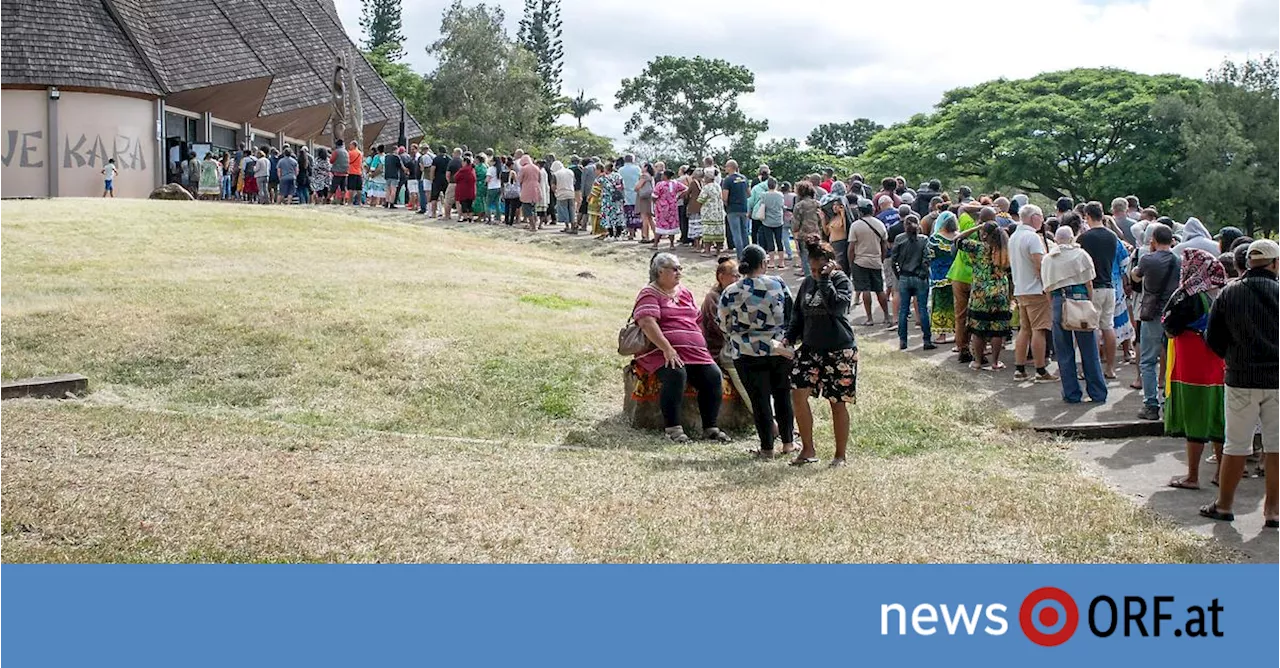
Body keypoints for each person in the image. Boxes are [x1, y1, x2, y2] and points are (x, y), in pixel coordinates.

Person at [1201, 239, 1280, 527]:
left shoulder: (1229, 293)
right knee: (1276, 446)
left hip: (1240, 378)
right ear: (1274, 263)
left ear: (1248, 263)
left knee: (1236, 445)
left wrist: (1233, 357)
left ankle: (1224, 505)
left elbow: (1213, 339)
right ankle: (1273, 510)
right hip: (1277, 380)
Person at [632, 253, 731, 443]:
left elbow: (697, 321)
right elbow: (647, 322)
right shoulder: (649, 293)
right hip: (661, 351)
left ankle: (710, 427)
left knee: (713, 375)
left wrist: (700, 344)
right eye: (674, 269)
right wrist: (667, 348)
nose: (679, 273)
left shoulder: (684, 293)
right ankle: (673, 429)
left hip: (694, 352)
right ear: (660, 271)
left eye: (680, 269)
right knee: (676, 373)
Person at [718, 245, 796, 459]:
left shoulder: (730, 291)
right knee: (782, 396)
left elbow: (723, 322)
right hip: (779, 349)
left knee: (759, 400)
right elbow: (791, 312)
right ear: (763, 263)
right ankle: (789, 443)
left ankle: (767, 448)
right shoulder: (777, 284)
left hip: (746, 352)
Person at [785, 238, 858, 468]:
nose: (815, 274)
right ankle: (807, 449)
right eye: (812, 269)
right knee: (797, 394)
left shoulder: (841, 281)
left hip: (839, 350)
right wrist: (789, 337)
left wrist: (826, 280)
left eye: (819, 269)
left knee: (837, 402)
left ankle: (840, 455)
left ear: (830, 264)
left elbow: (838, 308)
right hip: (809, 349)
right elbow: (798, 315)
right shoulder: (807, 283)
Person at [1161, 249, 1228, 491]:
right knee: (1218, 418)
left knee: (1195, 418)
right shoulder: (1222, 293)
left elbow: (1170, 328)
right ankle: (1222, 473)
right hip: (1218, 364)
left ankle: (1192, 475)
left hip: (1191, 366)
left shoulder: (1186, 296)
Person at [1042, 227, 1107, 403]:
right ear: (1072, 238)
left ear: (1055, 239)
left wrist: (1053, 306)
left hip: (1058, 301)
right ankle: (1098, 393)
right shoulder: (1081, 255)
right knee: (1089, 349)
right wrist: (1089, 302)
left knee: (1064, 351)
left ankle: (1071, 393)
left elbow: (1047, 288)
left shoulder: (1048, 259)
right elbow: (1089, 283)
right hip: (1081, 300)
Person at [1130, 223, 1181, 421]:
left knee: (1148, 361)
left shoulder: (1147, 259)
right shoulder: (1179, 260)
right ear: (1172, 241)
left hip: (1151, 315)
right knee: (1172, 360)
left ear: (1153, 240)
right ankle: (1170, 403)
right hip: (1173, 316)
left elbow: (1135, 276)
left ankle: (1151, 405)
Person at [955, 221, 1012, 371]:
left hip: (980, 293)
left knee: (978, 329)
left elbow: (958, 240)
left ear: (984, 234)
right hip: (1000, 292)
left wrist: (976, 227)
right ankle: (995, 362)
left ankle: (978, 361)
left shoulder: (978, 247)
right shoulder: (1005, 250)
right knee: (997, 330)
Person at [1008, 204, 1056, 382]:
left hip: (1020, 288)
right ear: (1034, 217)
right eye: (1041, 216)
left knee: (1024, 329)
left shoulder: (1014, 236)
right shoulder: (1033, 238)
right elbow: (1040, 265)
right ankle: (1040, 369)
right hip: (1036, 290)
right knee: (1039, 330)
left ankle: (1020, 369)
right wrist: (1048, 286)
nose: (1042, 220)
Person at [701, 255, 752, 412]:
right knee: (742, 375)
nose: (738, 279)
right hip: (721, 348)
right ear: (721, 277)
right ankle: (768, 421)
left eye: (739, 275)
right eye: (734, 275)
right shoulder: (713, 298)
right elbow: (721, 330)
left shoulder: (740, 294)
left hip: (739, 343)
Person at [892, 215, 934, 351]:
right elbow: (927, 258)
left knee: (903, 310)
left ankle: (903, 341)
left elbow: (894, 260)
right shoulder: (923, 240)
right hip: (919, 277)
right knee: (923, 309)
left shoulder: (899, 239)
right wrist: (923, 272)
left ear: (905, 226)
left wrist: (899, 274)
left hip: (904, 276)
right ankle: (927, 340)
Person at [849, 198, 891, 326]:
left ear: (860, 211)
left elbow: (851, 248)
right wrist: (881, 259)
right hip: (876, 261)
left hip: (860, 261)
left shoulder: (855, 225)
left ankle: (869, 318)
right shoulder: (879, 224)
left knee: (864, 289)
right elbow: (885, 246)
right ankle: (886, 316)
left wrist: (851, 263)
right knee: (879, 290)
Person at [927, 212, 960, 345]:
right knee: (958, 306)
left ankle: (942, 335)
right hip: (957, 276)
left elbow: (929, 257)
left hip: (939, 277)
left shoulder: (935, 239)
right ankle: (959, 333)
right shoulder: (960, 237)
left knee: (940, 305)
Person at [791, 182, 822, 278]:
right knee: (816, 257)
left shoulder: (799, 205)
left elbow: (796, 223)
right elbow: (821, 219)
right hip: (817, 234)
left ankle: (809, 279)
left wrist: (794, 232)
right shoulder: (817, 203)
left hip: (803, 235)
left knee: (805, 258)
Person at [721, 160, 751, 258]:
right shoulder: (744, 178)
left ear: (730, 167)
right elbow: (749, 193)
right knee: (744, 233)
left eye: (726, 166)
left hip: (732, 209)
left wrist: (726, 204)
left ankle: (740, 256)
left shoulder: (727, 180)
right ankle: (748, 255)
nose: (725, 168)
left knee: (736, 234)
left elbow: (724, 197)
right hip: (743, 208)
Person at [651, 169, 687, 249]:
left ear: (665, 176)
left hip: (662, 208)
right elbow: (686, 189)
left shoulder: (660, 184)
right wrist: (679, 196)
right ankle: (671, 244)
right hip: (673, 207)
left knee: (660, 225)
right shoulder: (675, 183)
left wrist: (655, 202)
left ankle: (655, 244)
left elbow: (654, 196)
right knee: (672, 225)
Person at [757, 178, 786, 270]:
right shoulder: (780, 195)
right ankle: (781, 261)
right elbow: (782, 206)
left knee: (770, 241)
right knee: (779, 241)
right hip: (778, 220)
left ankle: (772, 262)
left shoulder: (764, 195)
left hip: (767, 221)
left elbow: (761, 206)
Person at [699, 169, 727, 255]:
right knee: (718, 232)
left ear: (708, 178)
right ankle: (718, 251)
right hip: (718, 212)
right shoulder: (717, 186)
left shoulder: (706, 187)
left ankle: (707, 251)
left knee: (708, 232)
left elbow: (701, 199)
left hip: (709, 213)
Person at [597, 160, 625, 239]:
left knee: (608, 217)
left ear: (606, 169)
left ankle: (611, 234)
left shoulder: (603, 177)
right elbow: (622, 186)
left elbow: (597, 183)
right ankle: (618, 235)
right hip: (617, 199)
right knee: (618, 216)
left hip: (607, 199)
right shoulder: (618, 176)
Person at [454, 156, 477, 222]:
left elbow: (456, 177)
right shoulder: (472, 169)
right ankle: (471, 217)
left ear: (465, 162)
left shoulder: (463, 170)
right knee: (470, 204)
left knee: (463, 203)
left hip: (463, 189)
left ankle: (465, 217)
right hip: (471, 189)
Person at [344, 141, 363, 206]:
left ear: (354, 145)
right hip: (359, 172)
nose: (349, 146)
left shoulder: (350, 153)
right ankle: (360, 202)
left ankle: (350, 202)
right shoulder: (360, 153)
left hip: (351, 172)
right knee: (359, 189)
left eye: (350, 145)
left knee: (351, 188)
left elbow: (347, 161)